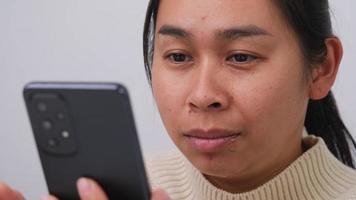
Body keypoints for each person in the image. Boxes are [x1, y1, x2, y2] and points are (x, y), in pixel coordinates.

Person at [1, 0, 356, 199]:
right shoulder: (116, 192)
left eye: (241, 56)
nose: (203, 96)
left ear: (321, 68)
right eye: (178, 56)